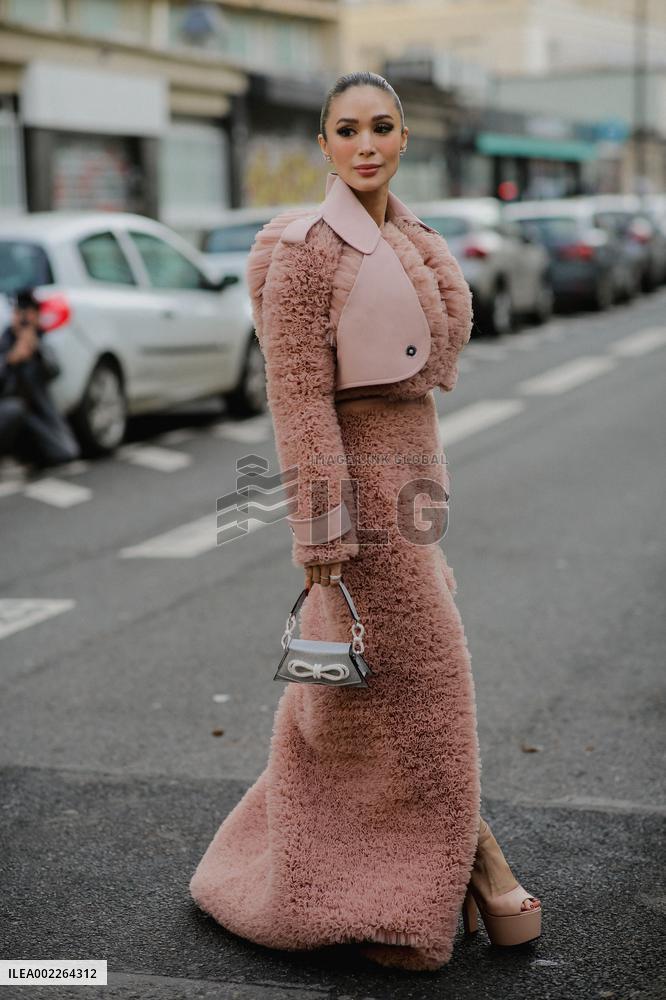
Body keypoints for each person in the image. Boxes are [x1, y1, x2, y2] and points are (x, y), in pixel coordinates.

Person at [189, 72, 541, 972]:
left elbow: (418, 397)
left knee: (380, 707)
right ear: (324, 146)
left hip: (411, 491)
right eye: (346, 130)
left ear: (404, 137)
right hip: (358, 505)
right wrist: (320, 536)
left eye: (382, 127)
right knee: (431, 697)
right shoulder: (306, 250)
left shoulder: (411, 238)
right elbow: (298, 399)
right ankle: (449, 886)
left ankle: (419, 882)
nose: (366, 144)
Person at [0, 288, 80, 471]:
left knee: (66, 451)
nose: (23, 319)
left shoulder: (41, 342)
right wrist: (11, 359)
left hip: (34, 415)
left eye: (28, 314)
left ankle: (29, 456)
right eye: (19, 313)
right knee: (14, 409)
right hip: (7, 410)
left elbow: (54, 370)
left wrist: (36, 349)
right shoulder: (4, 340)